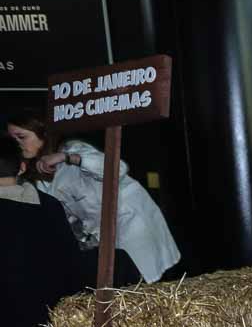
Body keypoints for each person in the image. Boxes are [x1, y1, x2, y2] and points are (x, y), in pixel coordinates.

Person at [7, 110, 180, 285]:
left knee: (145, 283)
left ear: (43, 134)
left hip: (130, 222)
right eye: (12, 138)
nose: (17, 143)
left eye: (21, 137)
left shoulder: (73, 149)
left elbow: (117, 169)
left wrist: (67, 158)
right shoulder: (35, 174)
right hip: (103, 235)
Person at [0, 134, 81, 327]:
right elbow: (71, 258)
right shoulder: (48, 205)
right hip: (50, 309)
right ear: (22, 167)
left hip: (10, 314)